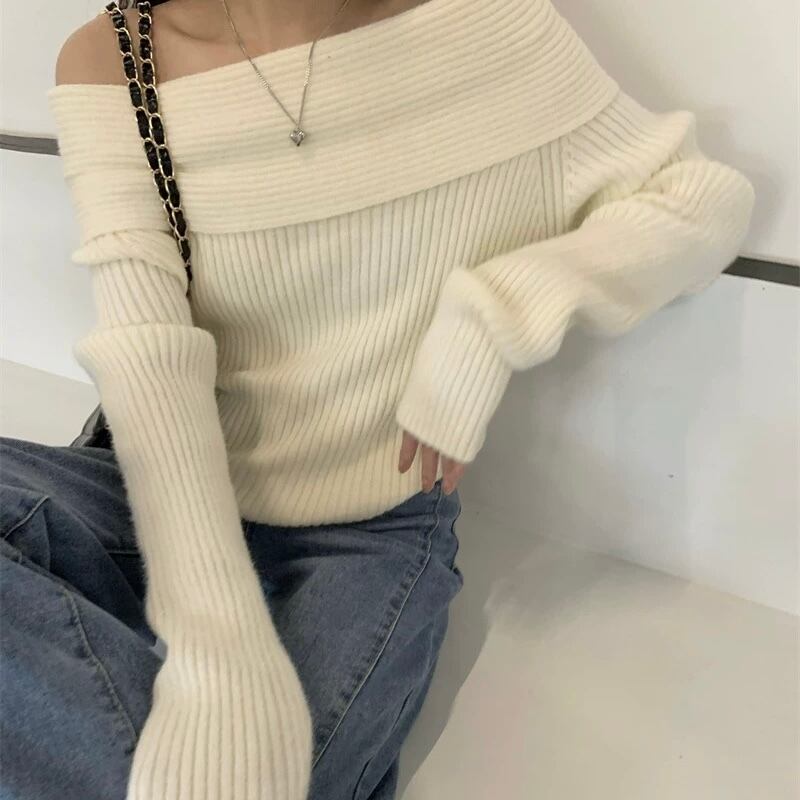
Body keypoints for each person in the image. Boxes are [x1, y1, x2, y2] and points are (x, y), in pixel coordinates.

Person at [0, 0, 755, 798]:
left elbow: (699, 198)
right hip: (149, 484)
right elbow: (147, 353)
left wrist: (494, 317)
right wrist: (215, 636)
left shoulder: (487, 27)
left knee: (259, 777)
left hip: (366, 532)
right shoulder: (116, 59)